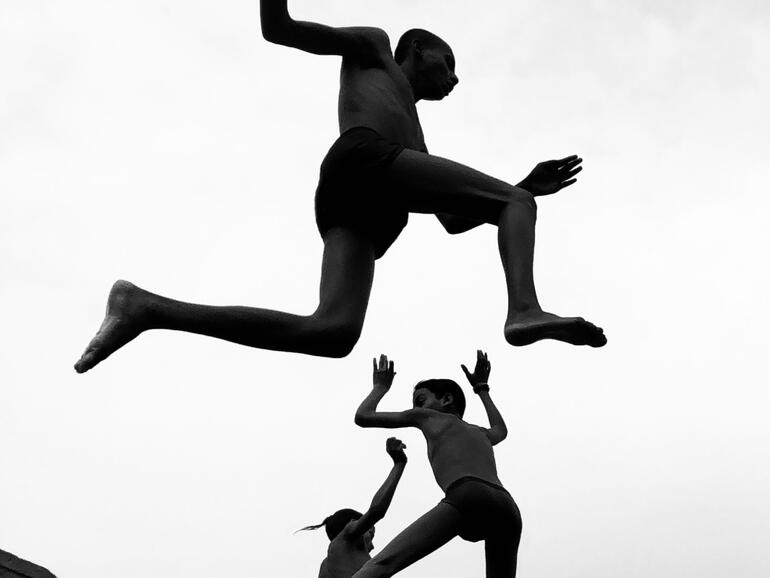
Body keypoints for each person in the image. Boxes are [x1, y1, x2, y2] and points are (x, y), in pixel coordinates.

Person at [74, 1, 605, 373]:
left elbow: (452, 219)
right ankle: (524, 310)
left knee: (331, 333)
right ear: (417, 49)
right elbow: (278, 27)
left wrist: (524, 186)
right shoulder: (374, 49)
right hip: (363, 160)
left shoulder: (416, 138)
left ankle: (145, 307)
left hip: (367, 205)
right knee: (513, 204)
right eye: (449, 62)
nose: (455, 78)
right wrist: (517, 196)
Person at [352, 352, 521, 577]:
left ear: (446, 400)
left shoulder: (427, 417)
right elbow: (501, 430)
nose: (416, 408)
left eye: (420, 401)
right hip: (508, 508)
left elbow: (363, 416)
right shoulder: (481, 433)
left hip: (469, 494)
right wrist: (482, 388)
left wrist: (380, 387)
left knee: (384, 563)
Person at [298, 437, 408, 578]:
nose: (372, 547)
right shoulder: (348, 536)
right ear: (352, 524)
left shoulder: (326, 567)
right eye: (370, 534)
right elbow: (376, 511)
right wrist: (399, 464)